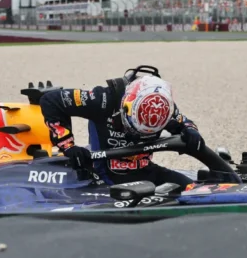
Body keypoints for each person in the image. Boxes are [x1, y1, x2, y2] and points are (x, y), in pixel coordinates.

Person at [38, 69, 204, 189]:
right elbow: (51, 100)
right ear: (125, 106)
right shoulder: (102, 99)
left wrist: (191, 131)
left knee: (195, 191)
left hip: (145, 170)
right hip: (103, 176)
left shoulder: (162, 106)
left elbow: (185, 123)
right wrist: (68, 147)